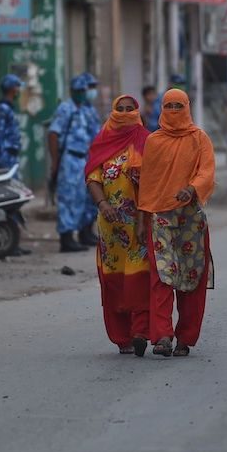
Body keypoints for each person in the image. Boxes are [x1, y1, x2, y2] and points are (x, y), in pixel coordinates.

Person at [136, 89, 216, 358]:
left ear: (187, 107)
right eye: (168, 106)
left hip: (190, 218)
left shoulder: (199, 138)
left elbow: (207, 171)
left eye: (178, 106)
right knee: (162, 276)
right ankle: (162, 336)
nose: (173, 111)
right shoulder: (154, 141)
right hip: (160, 216)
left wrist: (192, 188)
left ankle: (186, 337)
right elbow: (147, 183)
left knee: (191, 277)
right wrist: (141, 220)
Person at [85, 96, 151, 356]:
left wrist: (144, 219)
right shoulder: (103, 141)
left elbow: (152, 184)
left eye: (129, 109)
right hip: (111, 228)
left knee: (140, 278)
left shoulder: (147, 142)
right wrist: (103, 205)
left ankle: (140, 331)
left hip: (140, 224)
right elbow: (93, 177)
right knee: (114, 281)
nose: (124, 113)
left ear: (137, 112)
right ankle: (122, 337)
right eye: (119, 109)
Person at [48, 72, 102, 252]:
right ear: (72, 91)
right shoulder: (66, 108)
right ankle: (66, 237)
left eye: (83, 90)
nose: (82, 93)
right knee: (68, 198)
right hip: (70, 159)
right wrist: (55, 162)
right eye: (78, 91)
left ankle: (81, 232)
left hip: (84, 159)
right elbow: (53, 134)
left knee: (82, 197)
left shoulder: (84, 110)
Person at [0, 74, 24, 169]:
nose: (19, 90)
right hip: (5, 158)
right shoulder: (2, 109)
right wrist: (0, 160)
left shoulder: (9, 108)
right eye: (17, 86)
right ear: (12, 89)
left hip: (11, 156)